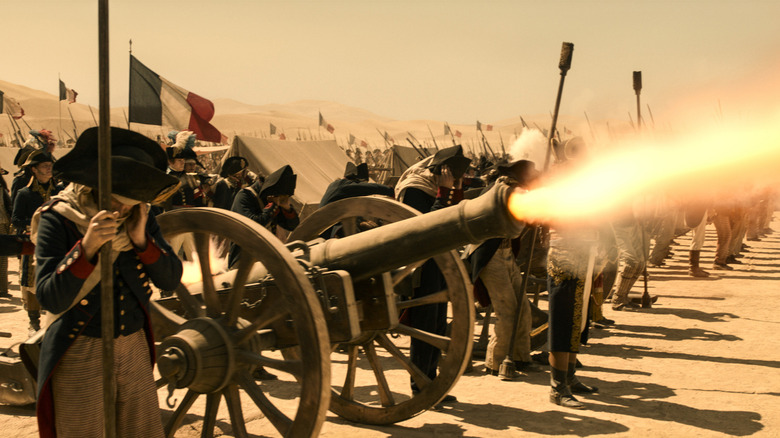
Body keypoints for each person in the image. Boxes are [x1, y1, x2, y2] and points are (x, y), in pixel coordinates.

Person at [32, 127, 182, 437]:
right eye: (118, 200)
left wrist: (143, 241)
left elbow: (170, 278)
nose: (123, 209)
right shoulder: (58, 217)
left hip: (134, 345)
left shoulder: (141, 216)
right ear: (98, 187)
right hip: (81, 348)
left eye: (130, 203)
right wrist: (86, 248)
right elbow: (50, 297)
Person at [395, 144, 471, 403]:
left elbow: (453, 220)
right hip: (420, 265)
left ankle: (432, 380)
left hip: (441, 262)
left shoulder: (443, 187)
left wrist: (454, 192)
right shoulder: (416, 188)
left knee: (438, 325)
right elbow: (424, 230)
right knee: (425, 325)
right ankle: (420, 386)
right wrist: (443, 192)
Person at [464, 159, 540, 376]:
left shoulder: (515, 190)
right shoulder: (505, 191)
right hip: (491, 256)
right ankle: (495, 362)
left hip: (506, 254)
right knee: (506, 311)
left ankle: (519, 357)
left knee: (523, 309)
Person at [12, 150, 63, 334]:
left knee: (57, 277)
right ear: (34, 169)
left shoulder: (60, 191)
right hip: (33, 244)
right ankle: (34, 321)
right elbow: (16, 220)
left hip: (57, 243)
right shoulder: (24, 194)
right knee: (32, 281)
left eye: (50, 166)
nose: (49, 169)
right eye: (44, 166)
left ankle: (54, 317)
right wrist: (37, 224)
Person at [228, 164, 299, 267]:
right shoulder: (245, 196)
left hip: (268, 257)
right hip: (244, 260)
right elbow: (252, 226)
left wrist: (287, 208)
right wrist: (272, 206)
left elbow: (293, 226)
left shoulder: (274, 198)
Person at [1, 160, 13, 297]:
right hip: (2, 223)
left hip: (2, 223)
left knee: (3, 258)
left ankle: (3, 288)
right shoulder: (2, 188)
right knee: (2, 258)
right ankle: (2, 288)